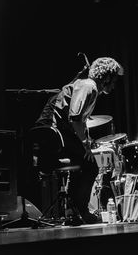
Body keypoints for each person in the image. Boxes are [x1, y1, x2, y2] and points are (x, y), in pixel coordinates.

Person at [34, 57, 124, 223]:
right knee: (90, 166)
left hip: (57, 129)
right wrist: (85, 145)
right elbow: (75, 119)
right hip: (52, 131)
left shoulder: (89, 87)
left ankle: (74, 210)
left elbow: (78, 121)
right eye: (114, 80)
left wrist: (86, 141)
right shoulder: (89, 86)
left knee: (84, 163)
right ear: (107, 76)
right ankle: (80, 209)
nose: (114, 85)